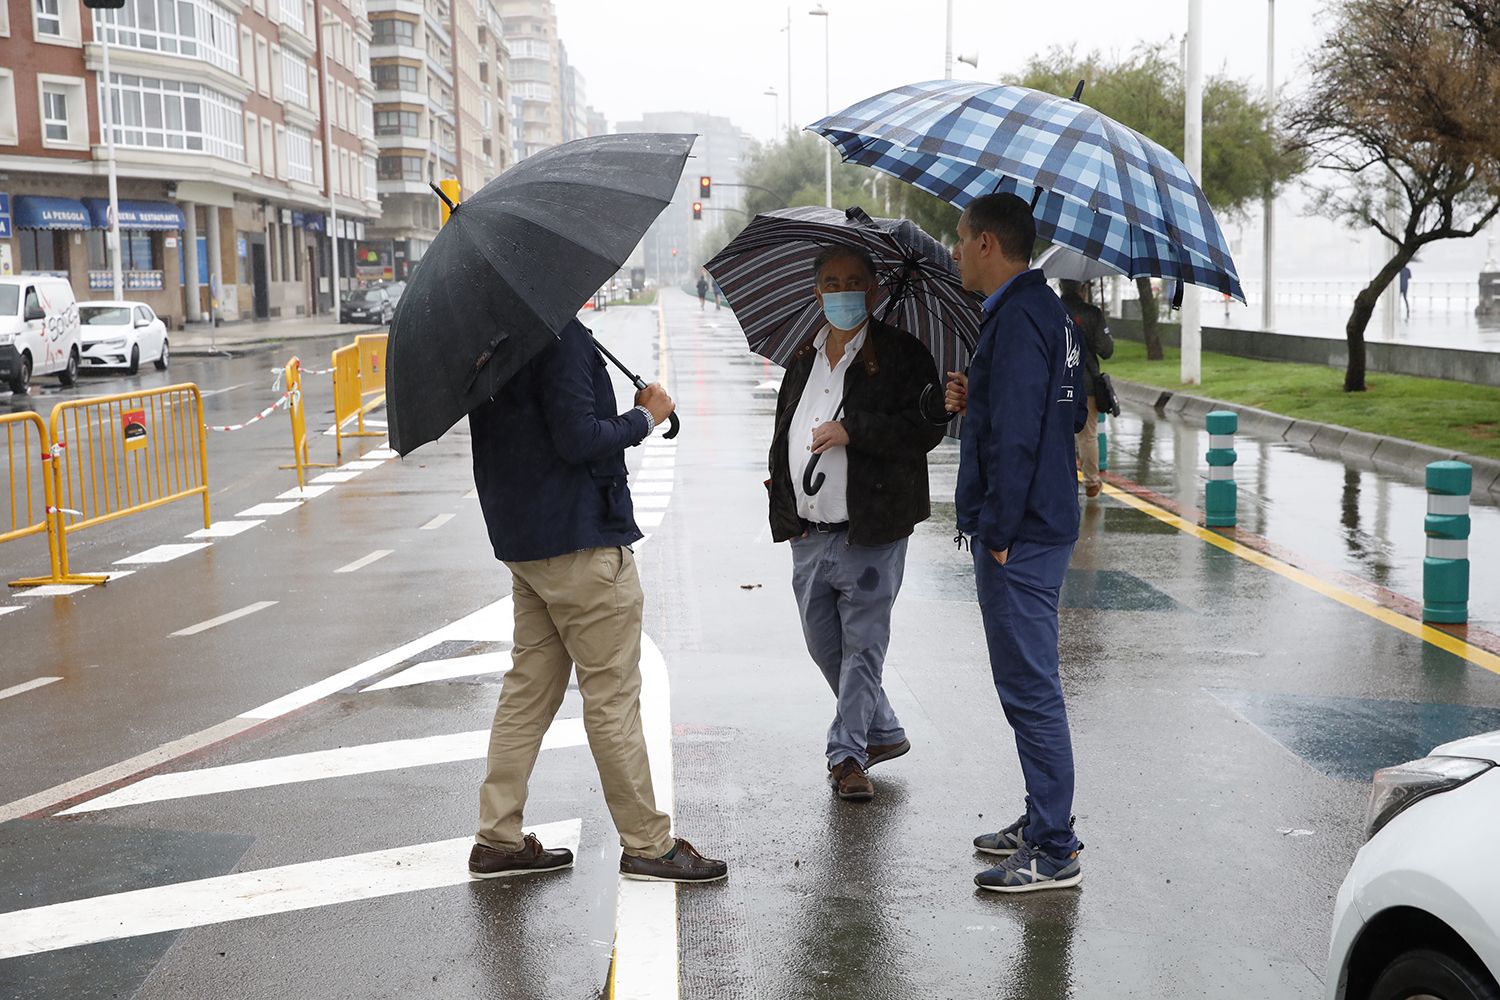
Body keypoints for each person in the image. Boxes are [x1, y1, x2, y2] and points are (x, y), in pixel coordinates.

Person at [465, 318, 727, 884]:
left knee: (528, 693)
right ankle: (649, 846)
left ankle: (497, 836)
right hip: (581, 543)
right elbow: (577, 439)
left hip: (526, 546)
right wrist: (644, 417)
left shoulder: (494, 342)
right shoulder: (558, 338)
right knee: (612, 698)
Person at [945, 192, 1089, 893]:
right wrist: (982, 395)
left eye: (960, 238)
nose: (954, 249)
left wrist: (997, 533)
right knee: (1026, 686)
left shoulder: (1020, 317)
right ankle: (1041, 820)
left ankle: (1054, 847)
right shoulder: (1044, 312)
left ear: (988, 245)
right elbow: (1066, 405)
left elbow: (1025, 438)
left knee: (1031, 690)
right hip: (1037, 524)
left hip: (1022, 533)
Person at [766, 245, 946, 802]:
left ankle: (847, 755)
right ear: (817, 291)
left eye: (853, 282)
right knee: (825, 644)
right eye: (831, 282)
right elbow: (783, 433)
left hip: (873, 530)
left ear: (871, 289)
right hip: (811, 531)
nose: (842, 291)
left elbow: (928, 427)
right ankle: (883, 729)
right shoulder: (803, 357)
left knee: (864, 645)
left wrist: (855, 429)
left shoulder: (901, 355)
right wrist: (783, 496)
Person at [1059, 279, 1114, 499]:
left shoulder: (1051, 309)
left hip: (1057, 381)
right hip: (1087, 382)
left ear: (1061, 286)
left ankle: (1060, 481)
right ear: (1082, 288)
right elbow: (1106, 350)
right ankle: (1091, 482)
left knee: (1057, 433)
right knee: (1088, 434)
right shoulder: (1092, 313)